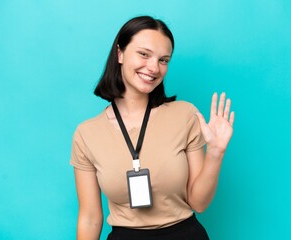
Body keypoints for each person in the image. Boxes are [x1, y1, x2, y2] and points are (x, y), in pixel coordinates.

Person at [70, 15, 235, 240]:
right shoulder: (86, 134)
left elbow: (199, 203)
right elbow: (90, 217)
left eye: (163, 60)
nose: (153, 67)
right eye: (144, 54)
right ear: (120, 53)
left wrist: (216, 152)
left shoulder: (185, 115)